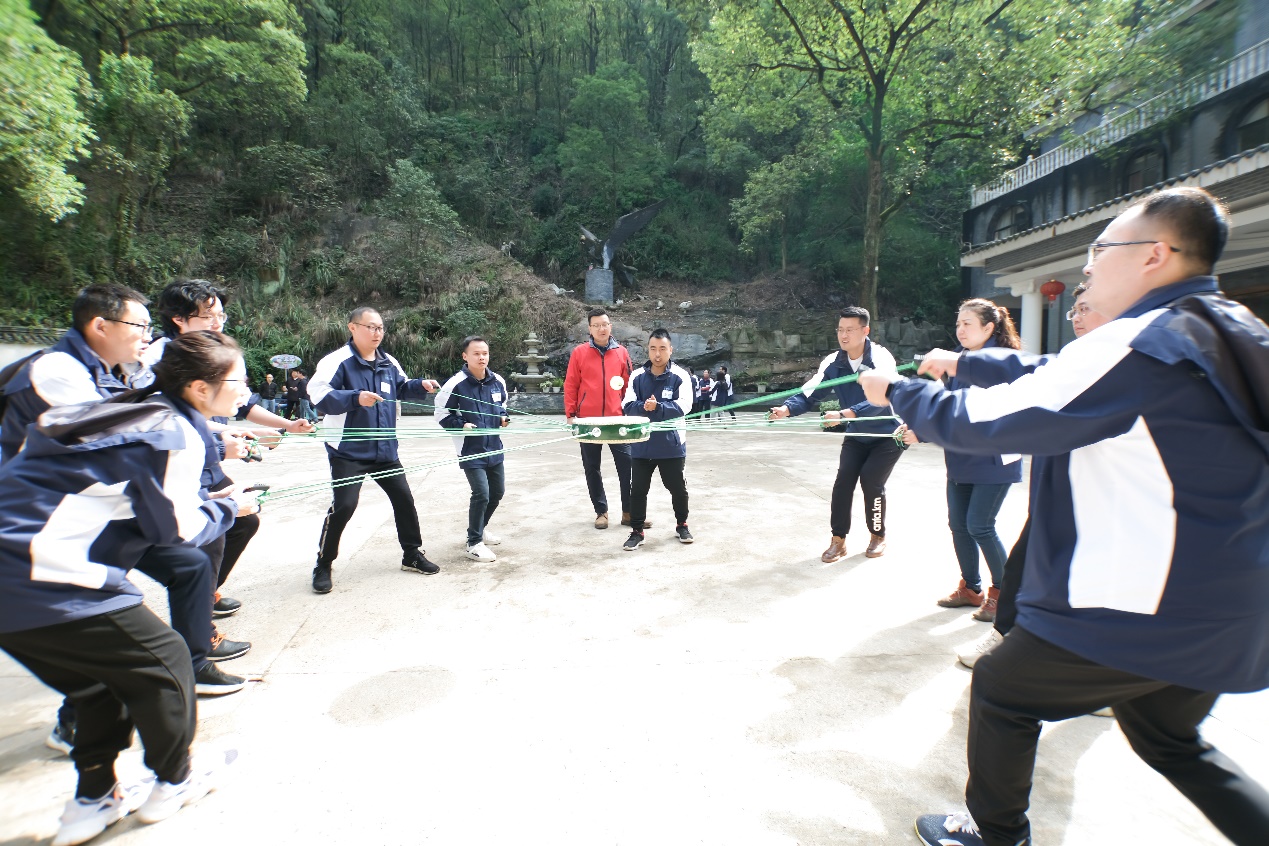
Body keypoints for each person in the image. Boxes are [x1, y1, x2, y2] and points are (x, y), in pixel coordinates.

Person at [857, 186, 1269, 846]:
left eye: (1102, 248)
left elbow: (989, 422)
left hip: (1143, 605)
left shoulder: (1138, 343)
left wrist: (899, 392)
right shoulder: (1223, 330)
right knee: (1169, 739)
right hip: (1230, 601)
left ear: (1154, 255)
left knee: (1002, 690)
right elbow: (1058, 375)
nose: (1087, 264)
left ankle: (996, 836)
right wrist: (967, 362)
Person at [0, 332, 260, 846]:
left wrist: (213, 500)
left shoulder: (135, 410)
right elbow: (177, 531)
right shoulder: (174, 432)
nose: (246, 389)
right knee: (168, 661)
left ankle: (92, 800)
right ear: (200, 388)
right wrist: (232, 506)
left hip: (16, 581)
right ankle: (176, 780)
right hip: (45, 573)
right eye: (239, 380)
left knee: (97, 684)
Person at [957, 282, 1112, 669]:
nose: (1076, 318)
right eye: (1074, 311)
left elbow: (1009, 406)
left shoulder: (1123, 358)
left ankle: (1093, 658)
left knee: (983, 528)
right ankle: (1000, 624)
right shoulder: (1071, 358)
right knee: (1019, 557)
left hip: (1091, 487)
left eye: (1086, 309)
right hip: (1051, 484)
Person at [308, 307, 442, 593]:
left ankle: (411, 554)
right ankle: (324, 563)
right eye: (370, 327)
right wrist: (355, 398)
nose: (377, 332)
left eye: (380, 327)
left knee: (404, 500)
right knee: (345, 506)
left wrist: (421, 385)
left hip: (385, 449)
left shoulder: (388, 362)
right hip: (348, 451)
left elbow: (401, 387)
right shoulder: (337, 362)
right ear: (352, 327)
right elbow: (318, 396)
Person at [769, 306, 903, 562]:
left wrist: (844, 414)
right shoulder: (833, 362)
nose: (844, 335)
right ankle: (838, 540)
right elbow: (810, 393)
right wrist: (787, 409)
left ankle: (878, 535)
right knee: (843, 483)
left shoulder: (881, 358)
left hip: (887, 434)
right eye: (840, 329)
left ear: (865, 331)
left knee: (871, 481)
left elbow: (883, 397)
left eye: (850, 330)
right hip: (856, 434)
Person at [925, 299, 1023, 624]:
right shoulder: (959, 358)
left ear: (989, 328)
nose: (961, 330)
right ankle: (971, 588)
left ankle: (1004, 593)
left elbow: (971, 409)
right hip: (961, 456)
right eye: (958, 323)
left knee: (980, 525)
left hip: (993, 457)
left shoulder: (1001, 362)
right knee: (958, 525)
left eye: (968, 323)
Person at [563, 308, 643, 530]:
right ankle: (601, 512)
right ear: (590, 329)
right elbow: (571, 384)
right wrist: (571, 414)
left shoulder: (622, 353)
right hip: (588, 421)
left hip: (617, 420)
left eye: (604, 324)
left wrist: (630, 412)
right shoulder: (579, 353)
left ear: (610, 326)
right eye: (596, 325)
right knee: (592, 467)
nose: (601, 329)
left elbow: (629, 386)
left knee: (628, 466)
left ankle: (629, 512)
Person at [436, 336, 509, 563]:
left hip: (494, 446)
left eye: (485, 353)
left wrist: (503, 418)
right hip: (470, 449)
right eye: (476, 354)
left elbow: (502, 407)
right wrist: (461, 425)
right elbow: (441, 414)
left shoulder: (497, 381)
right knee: (481, 493)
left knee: (497, 492)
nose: (481, 357)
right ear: (465, 356)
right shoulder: (455, 384)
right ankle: (473, 542)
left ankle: (480, 528)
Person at [620, 329, 695, 550]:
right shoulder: (637, 376)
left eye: (662, 348)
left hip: (671, 444)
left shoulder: (680, 376)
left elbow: (685, 405)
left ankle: (682, 524)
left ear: (671, 350)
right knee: (638, 490)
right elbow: (627, 405)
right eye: (653, 348)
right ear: (648, 350)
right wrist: (645, 406)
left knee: (677, 488)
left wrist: (659, 407)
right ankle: (637, 531)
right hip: (642, 443)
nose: (657, 354)